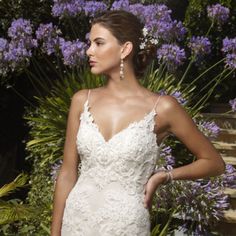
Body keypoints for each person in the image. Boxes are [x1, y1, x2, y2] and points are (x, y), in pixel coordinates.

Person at [51, 10, 225, 236]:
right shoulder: (81, 100)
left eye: (99, 43)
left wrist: (165, 176)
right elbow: (67, 173)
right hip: (76, 221)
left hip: (126, 226)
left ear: (125, 49)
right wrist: (55, 231)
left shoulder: (163, 108)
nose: (89, 51)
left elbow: (214, 163)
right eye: (90, 43)